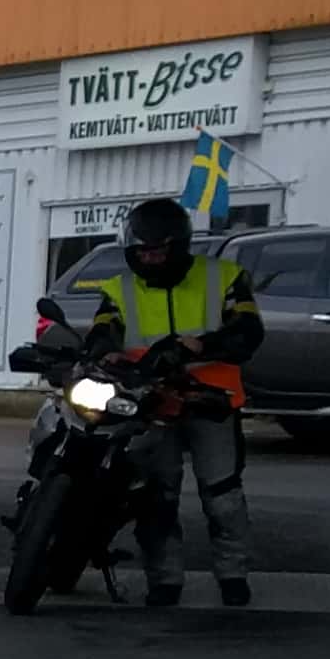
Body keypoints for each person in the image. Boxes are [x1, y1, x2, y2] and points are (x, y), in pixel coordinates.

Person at [74, 196, 260, 608]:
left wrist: (196, 346)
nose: (150, 258)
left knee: (223, 495)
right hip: (150, 403)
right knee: (156, 497)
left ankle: (233, 574)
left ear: (178, 246)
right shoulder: (119, 288)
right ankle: (164, 580)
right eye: (142, 251)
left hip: (210, 401)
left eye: (158, 251)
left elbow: (248, 332)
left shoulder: (224, 277)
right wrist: (105, 351)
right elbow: (103, 329)